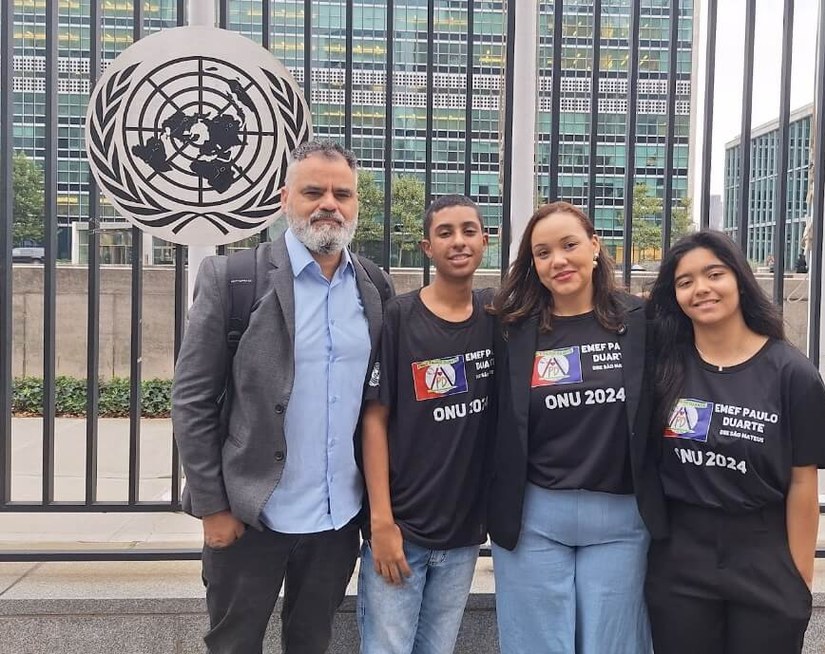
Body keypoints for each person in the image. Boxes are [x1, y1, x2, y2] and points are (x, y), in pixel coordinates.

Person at [172, 140, 393, 654]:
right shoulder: (234, 279)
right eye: (313, 191)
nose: (329, 204)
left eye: (343, 193)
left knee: (311, 644)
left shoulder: (374, 287)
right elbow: (192, 400)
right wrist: (212, 508)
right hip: (251, 516)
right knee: (234, 645)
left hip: (336, 520)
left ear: (356, 203)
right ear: (284, 199)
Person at [644, 230, 825, 654]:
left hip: (763, 556)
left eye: (713, 274)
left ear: (738, 278)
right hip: (681, 558)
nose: (701, 289)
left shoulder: (792, 373)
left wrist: (799, 578)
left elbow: (803, 484)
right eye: (685, 282)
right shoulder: (665, 369)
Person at [488, 201, 666, 654]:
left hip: (622, 521)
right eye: (542, 252)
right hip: (535, 520)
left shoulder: (643, 322)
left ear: (594, 246)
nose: (558, 260)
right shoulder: (512, 329)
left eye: (569, 245)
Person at [358, 195, 495, 654]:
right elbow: (374, 419)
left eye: (469, 231)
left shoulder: (497, 319)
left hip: (461, 538)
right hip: (402, 533)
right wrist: (381, 523)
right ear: (426, 247)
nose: (459, 241)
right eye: (445, 233)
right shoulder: (401, 316)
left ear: (485, 241)